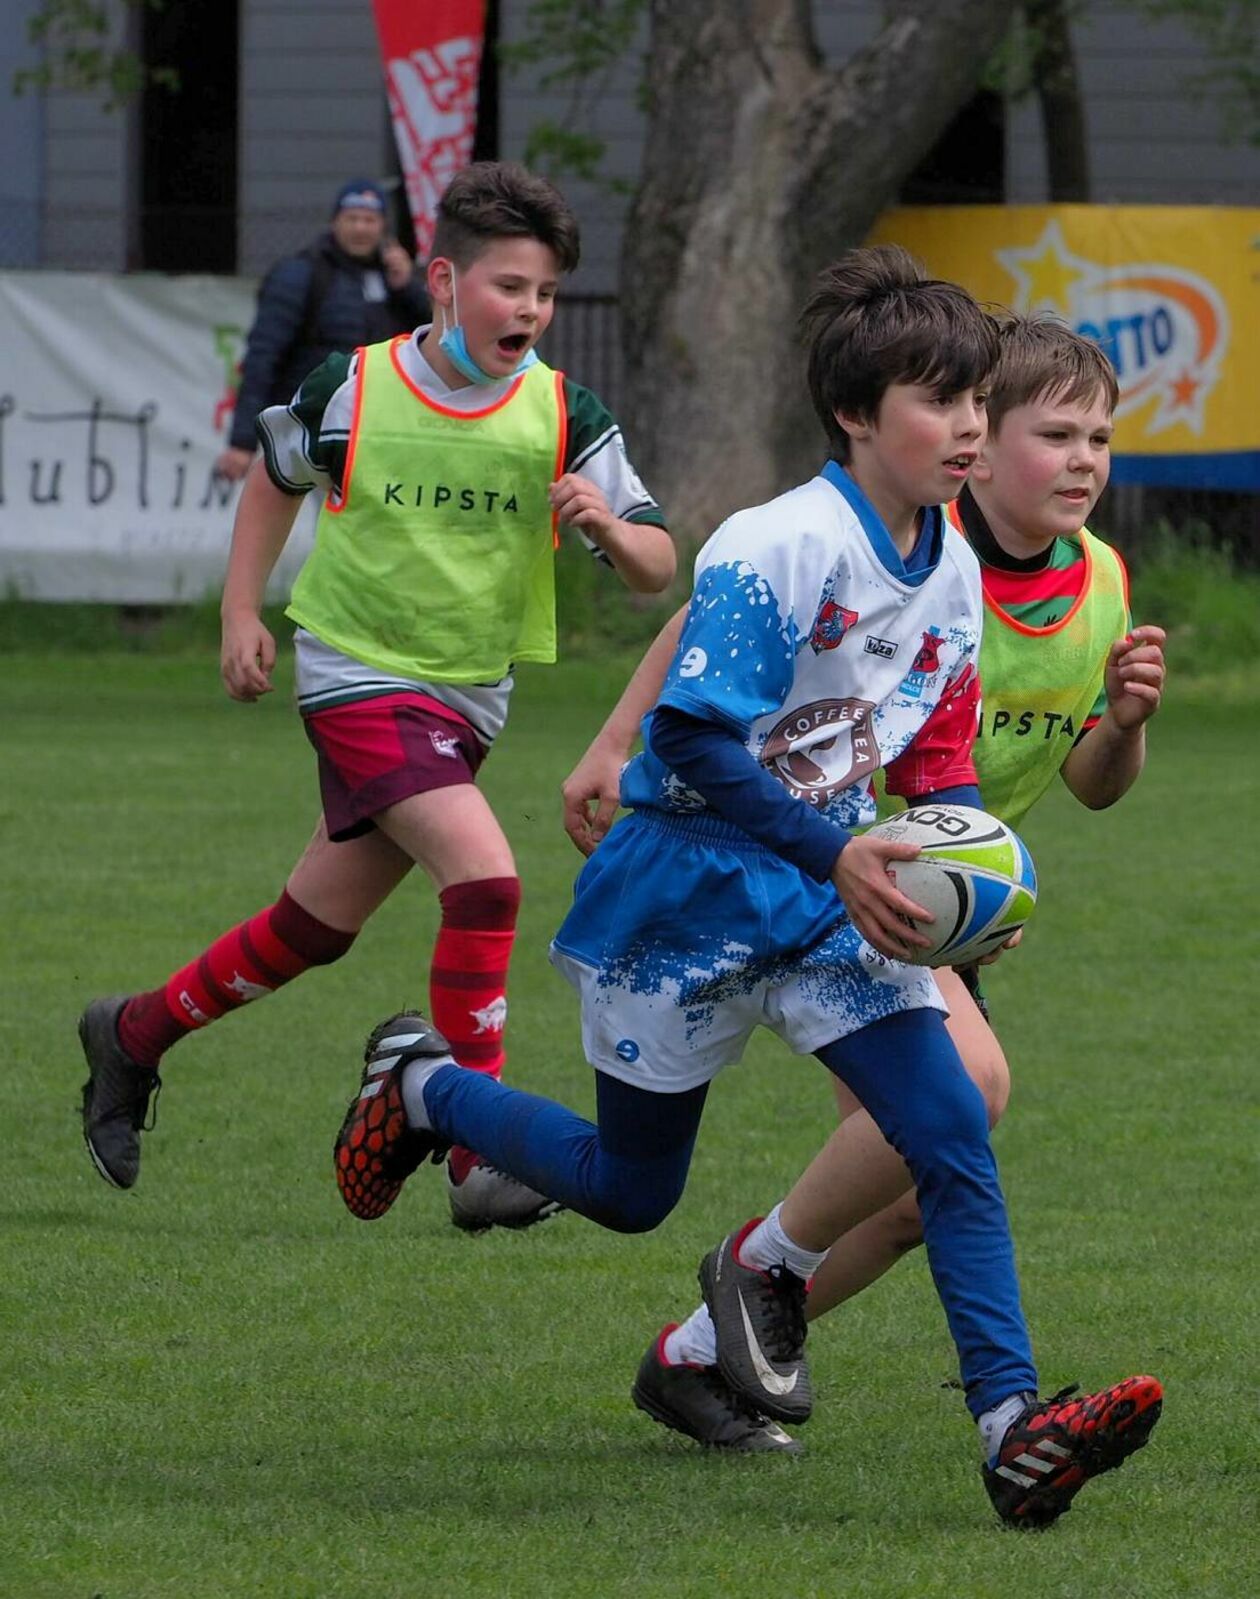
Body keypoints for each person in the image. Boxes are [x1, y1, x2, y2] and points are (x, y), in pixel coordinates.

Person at [333, 248, 1158, 1522]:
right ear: (855, 414)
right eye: (941, 406)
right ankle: (426, 1084)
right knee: (627, 1188)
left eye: (977, 409)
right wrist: (836, 846)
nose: (966, 432)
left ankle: (1011, 1425)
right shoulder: (777, 545)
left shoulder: (947, 568)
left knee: (947, 1127)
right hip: (687, 891)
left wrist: (968, 868)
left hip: (828, 887)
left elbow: (935, 750)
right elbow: (697, 740)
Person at [605, 313, 1165, 1524]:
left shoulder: (1098, 579)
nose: (1080, 460)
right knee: (968, 1102)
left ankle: (700, 1353)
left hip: (928, 887)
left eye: (1099, 438)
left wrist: (1116, 730)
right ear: (982, 436)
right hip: (821, 863)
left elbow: (1082, 786)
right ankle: (785, 1296)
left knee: (918, 1189)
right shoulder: (907, 520)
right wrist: (608, 748)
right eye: (1050, 432)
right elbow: (712, 629)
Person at [78, 161, 675, 1233]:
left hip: (466, 703)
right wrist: (241, 614)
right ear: (444, 281)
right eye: (508, 287)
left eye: (543, 294)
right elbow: (274, 474)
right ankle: (473, 1161)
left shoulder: (560, 411)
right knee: (487, 881)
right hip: (355, 674)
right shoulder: (359, 384)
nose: (529, 311)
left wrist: (607, 525)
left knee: (312, 928)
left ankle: (131, 1034)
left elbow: (657, 568)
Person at [214, 178, 429, 482]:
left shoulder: (394, 279)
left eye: (369, 220)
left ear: (383, 227)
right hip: (311, 429)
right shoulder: (300, 274)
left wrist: (408, 288)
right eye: (352, 218)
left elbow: (432, 340)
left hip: (380, 430)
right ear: (334, 222)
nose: (360, 228)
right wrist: (242, 442)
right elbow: (263, 357)